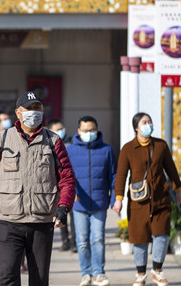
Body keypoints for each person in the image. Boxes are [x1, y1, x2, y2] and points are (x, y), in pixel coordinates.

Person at [0, 91, 76, 286]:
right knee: (7, 276)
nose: (34, 113)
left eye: (37, 108)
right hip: (8, 220)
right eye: (29, 109)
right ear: (18, 112)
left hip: (41, 220)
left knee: (39, 278)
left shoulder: (53, 140)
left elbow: (67, 178)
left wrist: (64, 207)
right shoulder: (2, 139)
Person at [112, 112, 181, 286]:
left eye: (150, 121)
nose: (148, 124)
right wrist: (118, 198)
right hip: (138, 200)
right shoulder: (128, 148)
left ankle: (157, 271)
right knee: (139, 236)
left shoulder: (161, 145)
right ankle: (140, 274)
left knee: (162, 234)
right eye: (145, 122)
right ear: (136, 127)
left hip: (161, 197)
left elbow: (171, 169)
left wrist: (178, 188)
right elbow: (121, 175)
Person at [67, 116, 117, 286]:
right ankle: (85, 273)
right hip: (79, 204)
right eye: (86, 130)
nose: (89, 133)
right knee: (81, 241)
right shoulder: (70, 151)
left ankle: (99, 273)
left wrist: (115, 198)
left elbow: (114, 176)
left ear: (97, 129)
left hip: (100, 202)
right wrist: (70, 192)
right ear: (79, 131)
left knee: (98, 239)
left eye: (92, 130)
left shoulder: (107, 150)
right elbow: (65, 177)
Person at [47, 118, 76, 253]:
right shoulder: (48, 145)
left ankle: (74, 242)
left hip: (68, 185)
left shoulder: (71, 143)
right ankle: (65, 241)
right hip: (55, 187)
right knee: (60, 216)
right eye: (57, 129)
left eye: (61, 128)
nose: (61, 131)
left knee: (72, 216)